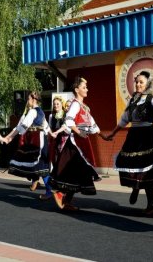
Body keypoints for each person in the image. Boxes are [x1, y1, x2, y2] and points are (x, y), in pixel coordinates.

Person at [104, 71, 153, 215]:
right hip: (133, 136)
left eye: (141, 82)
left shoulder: (152, 99)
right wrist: (112, 133)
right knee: (130, 164)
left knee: (148, 170)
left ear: (147, 84)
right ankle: (136, 187)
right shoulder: (132, 100)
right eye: (137, 82)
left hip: (148, 136)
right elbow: (124, 119)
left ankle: (150, 204)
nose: (138, 84)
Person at [50, 77, 108, 211]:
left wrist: (103, 136)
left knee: (77, 172)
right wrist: (78, 132)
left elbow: (93, 125)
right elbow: (69, 121)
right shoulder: (75, 104)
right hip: (75, 143)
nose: (86, 89)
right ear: (77, 90)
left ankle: (66, 200)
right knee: (74, 170)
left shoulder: (85, 107)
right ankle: (60, 194)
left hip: (82, 141)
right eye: (84, 87)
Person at [5, 91, 53, 199]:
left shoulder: (32, 111)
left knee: (40, 166)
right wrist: (53, 135)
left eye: (28, 99)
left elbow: (22, 127)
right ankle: (43, 186)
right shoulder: (41, 112)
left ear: (33, 99)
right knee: (39, 165)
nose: (27, 101)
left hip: (37, 140)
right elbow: (46, 127)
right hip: (40, 139)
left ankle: (50, 191)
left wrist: (10, 137)